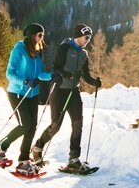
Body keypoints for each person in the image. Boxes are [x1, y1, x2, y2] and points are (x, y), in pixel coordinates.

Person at [32, 23, 102, 171]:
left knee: (78, 125)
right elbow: (56, 67)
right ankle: (38, 147)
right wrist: (68, 75)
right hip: (60, 90)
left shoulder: (84, 54)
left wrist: (94, 82)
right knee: (55, 125)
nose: (88, 40)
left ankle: (74, 159)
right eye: (86, 37)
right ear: (78, 36)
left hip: (74, 92)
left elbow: (85, 74)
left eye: (89, 38)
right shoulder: (64, 48)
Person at [0, 23, 52, 177]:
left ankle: (23, 160)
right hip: (18, 92)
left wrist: (52, 76)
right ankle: (0, 147)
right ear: (32, 35)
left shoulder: (37, 51)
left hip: (32, 93)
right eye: (39, 35)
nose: (42, 38)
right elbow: (9, 73)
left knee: (32, 127)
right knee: (25, 125)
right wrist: (24, 81)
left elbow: (39, 75)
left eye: (42, 35)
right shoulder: (19, 49)